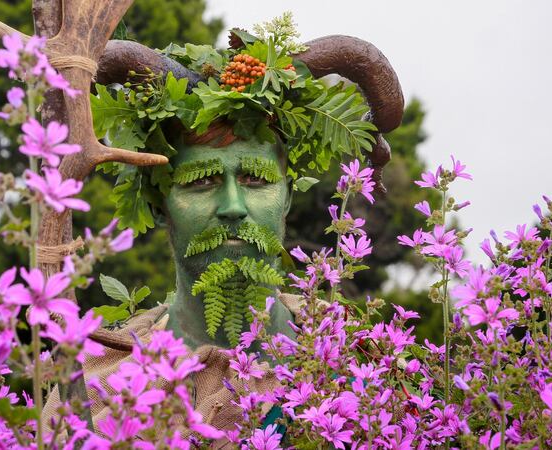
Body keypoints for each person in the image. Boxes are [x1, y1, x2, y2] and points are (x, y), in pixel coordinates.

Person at [43, 20, 405, 439]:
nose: (233, 207)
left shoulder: (361, 366)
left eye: (256, 179)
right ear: (160, 205)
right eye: (201, 181)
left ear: (287, 196)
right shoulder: (99, 386)